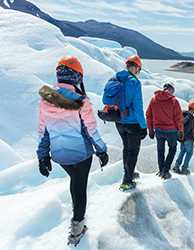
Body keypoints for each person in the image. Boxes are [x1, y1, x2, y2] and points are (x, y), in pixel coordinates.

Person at [36, 56, 108, 245]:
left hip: (60, 156)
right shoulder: (81, 100)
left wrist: (42, 156)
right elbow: (90, 130)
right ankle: (77, 229)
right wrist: (102, 150)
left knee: (74, 182)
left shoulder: (46, 100)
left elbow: (43, 132)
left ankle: (77, 222)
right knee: (80, 187)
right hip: (81, 155)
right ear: (77, 77)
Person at [113, 55, 147, 191]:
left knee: (126, 148)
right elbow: (138, 106)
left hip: (119, 121)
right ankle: (127, 181)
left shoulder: (117, 78)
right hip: (132, 123)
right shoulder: (134, 82)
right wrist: (143, 126)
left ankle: (129, 173)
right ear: (137, 67)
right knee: (133, 151)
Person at [146, 83, 184, 179]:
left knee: (160, 150)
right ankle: (165, 170)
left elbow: (148, 115)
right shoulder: (174, 101)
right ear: (171, 90)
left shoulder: (154, 99)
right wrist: (180, 130)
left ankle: (161, 169)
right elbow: (178, 118)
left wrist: (150, 130)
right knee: (173, 149)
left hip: (158, 130)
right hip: (171, 131)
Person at [173, 101, 194, 175]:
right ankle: (184, 169)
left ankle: (176, 167)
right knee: (189, 153)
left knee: (182, 152)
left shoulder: (181, 115)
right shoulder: (193, 119)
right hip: (189, 139)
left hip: (181, 139)